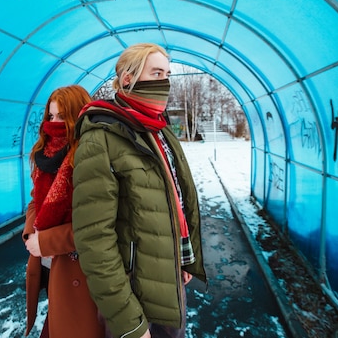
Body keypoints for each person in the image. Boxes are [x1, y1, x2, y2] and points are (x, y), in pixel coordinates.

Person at [72, 43, 207, 338]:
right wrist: (128, 322)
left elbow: (175, 199)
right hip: (133, 294)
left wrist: (184, 258)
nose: (165, 81)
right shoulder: (102, 137)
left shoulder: (158, 128)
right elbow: (95, 239)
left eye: (168, 73)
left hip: (168, 276)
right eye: (156, 72)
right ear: (127, 79)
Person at [23, 85, 105, 338]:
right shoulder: (44, 155)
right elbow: (35, 200)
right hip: (52, 265)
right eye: (51, 116)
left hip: (82, 270)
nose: (55, 124)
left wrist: (45, 241)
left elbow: (97, 224)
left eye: (62, 117)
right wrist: (31, 234)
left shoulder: (90, 156)